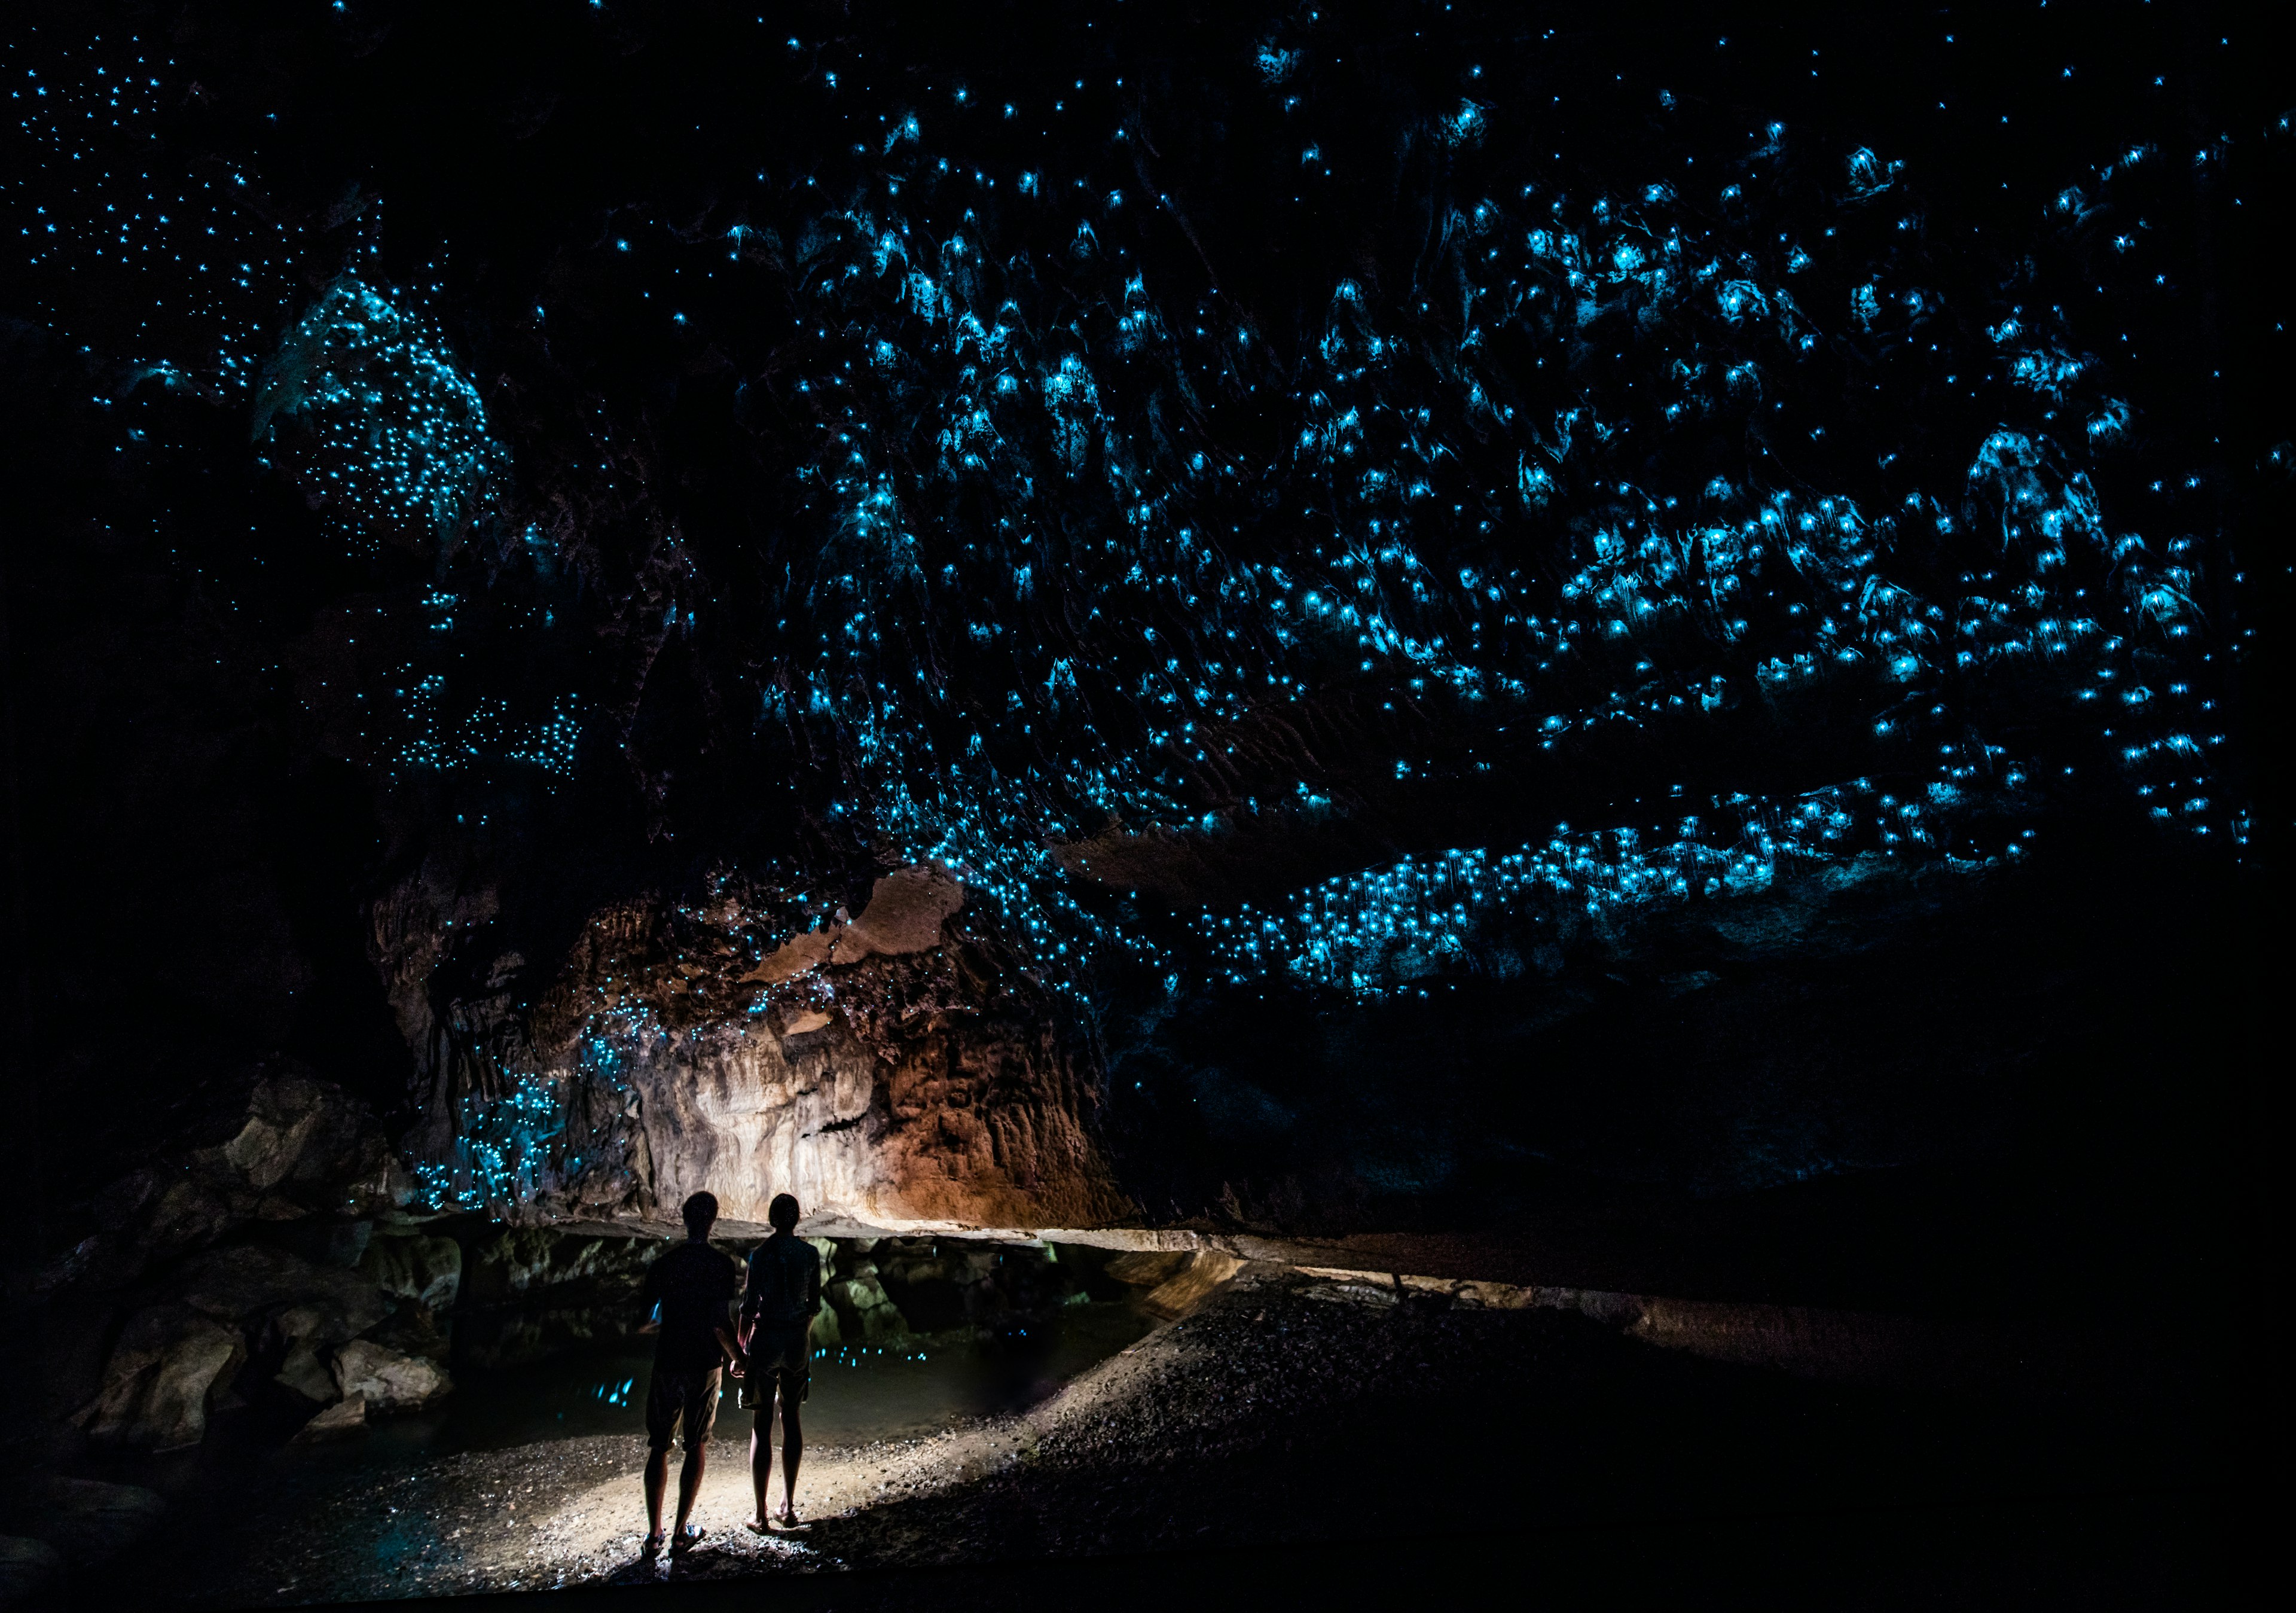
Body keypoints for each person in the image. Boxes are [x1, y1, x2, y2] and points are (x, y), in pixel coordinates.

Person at [634, 1191, 742, 1557]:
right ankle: (681, 1534)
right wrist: (739, 1357)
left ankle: (653, 1536)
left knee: (659, 1446)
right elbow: (719, 1322)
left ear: (684, 1219)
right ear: (712, 1221)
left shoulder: (664, 1265)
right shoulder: (719, 1265)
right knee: (696, 1443)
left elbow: (643, 1322)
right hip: (704, 1363)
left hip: (668, 1360)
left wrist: (669, 1320)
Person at [738, 1192, 822, 1530]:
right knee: (792, 1416)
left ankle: (760, 1514)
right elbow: (814, 1305)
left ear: (772, 1219)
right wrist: (801, 1333)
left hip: (767, 1338)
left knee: (762, 1423)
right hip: (796, 1339)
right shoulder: (810, 1254)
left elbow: (747, 1307)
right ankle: (788, 1507)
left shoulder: (761, 1255)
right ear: (797, 1219)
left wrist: (742, 1349)